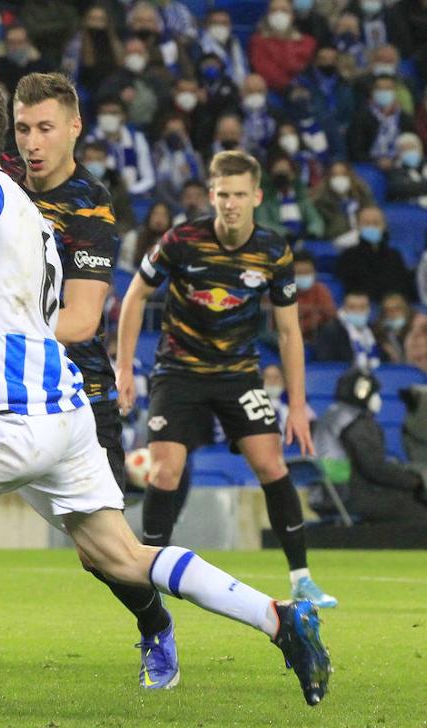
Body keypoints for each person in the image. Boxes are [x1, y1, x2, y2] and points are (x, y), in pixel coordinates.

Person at [0, 76, 331, 715]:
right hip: (65, 411)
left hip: (15, 419)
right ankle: (279, 618)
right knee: (123, 556)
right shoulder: (27, 206)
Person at [0, 74, 177, 689]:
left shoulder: (90, 206)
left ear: (75, 127)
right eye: (22, 129)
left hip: (72, 388)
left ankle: (154, 625)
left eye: (45, 128)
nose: (31, 142)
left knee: (99, 554)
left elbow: (81, 321)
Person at [116, 149, 338, 610]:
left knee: (272, 466)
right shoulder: (181, 241)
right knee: (165, 470)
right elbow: (135, 296)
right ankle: (146, 575)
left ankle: (301, 578)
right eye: (223, 194)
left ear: (256, 196)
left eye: (240, 194)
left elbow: (290, 330)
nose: (231, 203)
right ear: (212, 196)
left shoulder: (274, 250)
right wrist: (123, 368)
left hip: (238, 374)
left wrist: (297, 404)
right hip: (179, 372)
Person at [314, 368, 427, 523]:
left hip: (325, 496)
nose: (378, 399)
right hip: (354, 497)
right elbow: (375, 470)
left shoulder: (329, 417)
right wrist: (416, 482)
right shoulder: (358, 423)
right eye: (375, 393)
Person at [315, 290, 381, 369]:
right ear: (344, 308)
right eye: (352, 307)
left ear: (369, 309)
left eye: (362, 307)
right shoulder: (331, 330)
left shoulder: (374, 330)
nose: (358, 311)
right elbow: (326, 364)